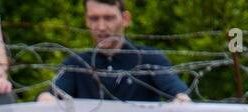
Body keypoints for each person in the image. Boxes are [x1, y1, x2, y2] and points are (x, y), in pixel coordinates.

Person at [38, 0, 190, 104]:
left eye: (109, 18)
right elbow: (50, 96)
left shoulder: (149, 58)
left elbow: (179, 93)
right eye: (94, 18)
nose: (101, 27)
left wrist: (181, 101)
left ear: (125, 19)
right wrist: (45, 100)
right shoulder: (76, 63)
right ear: (86, 20)